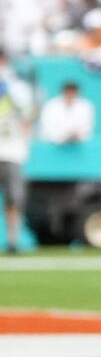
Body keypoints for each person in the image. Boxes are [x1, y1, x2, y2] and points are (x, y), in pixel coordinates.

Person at [0, 57, 28, 253]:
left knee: (13, 200)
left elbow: (26, 114)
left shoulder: (17, 87)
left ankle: (13, 241)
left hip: (11, 152)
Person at [38, 80, 95, 145]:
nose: (70, 95)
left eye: (73, 93)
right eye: (68, 93)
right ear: (63, 92)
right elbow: (46, 127)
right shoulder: (50, 106)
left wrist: (76, 135)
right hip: (53, 144)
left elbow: (87, 126)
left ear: (77, 93)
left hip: (78, 144)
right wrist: (62, 137)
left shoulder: (86, 106)